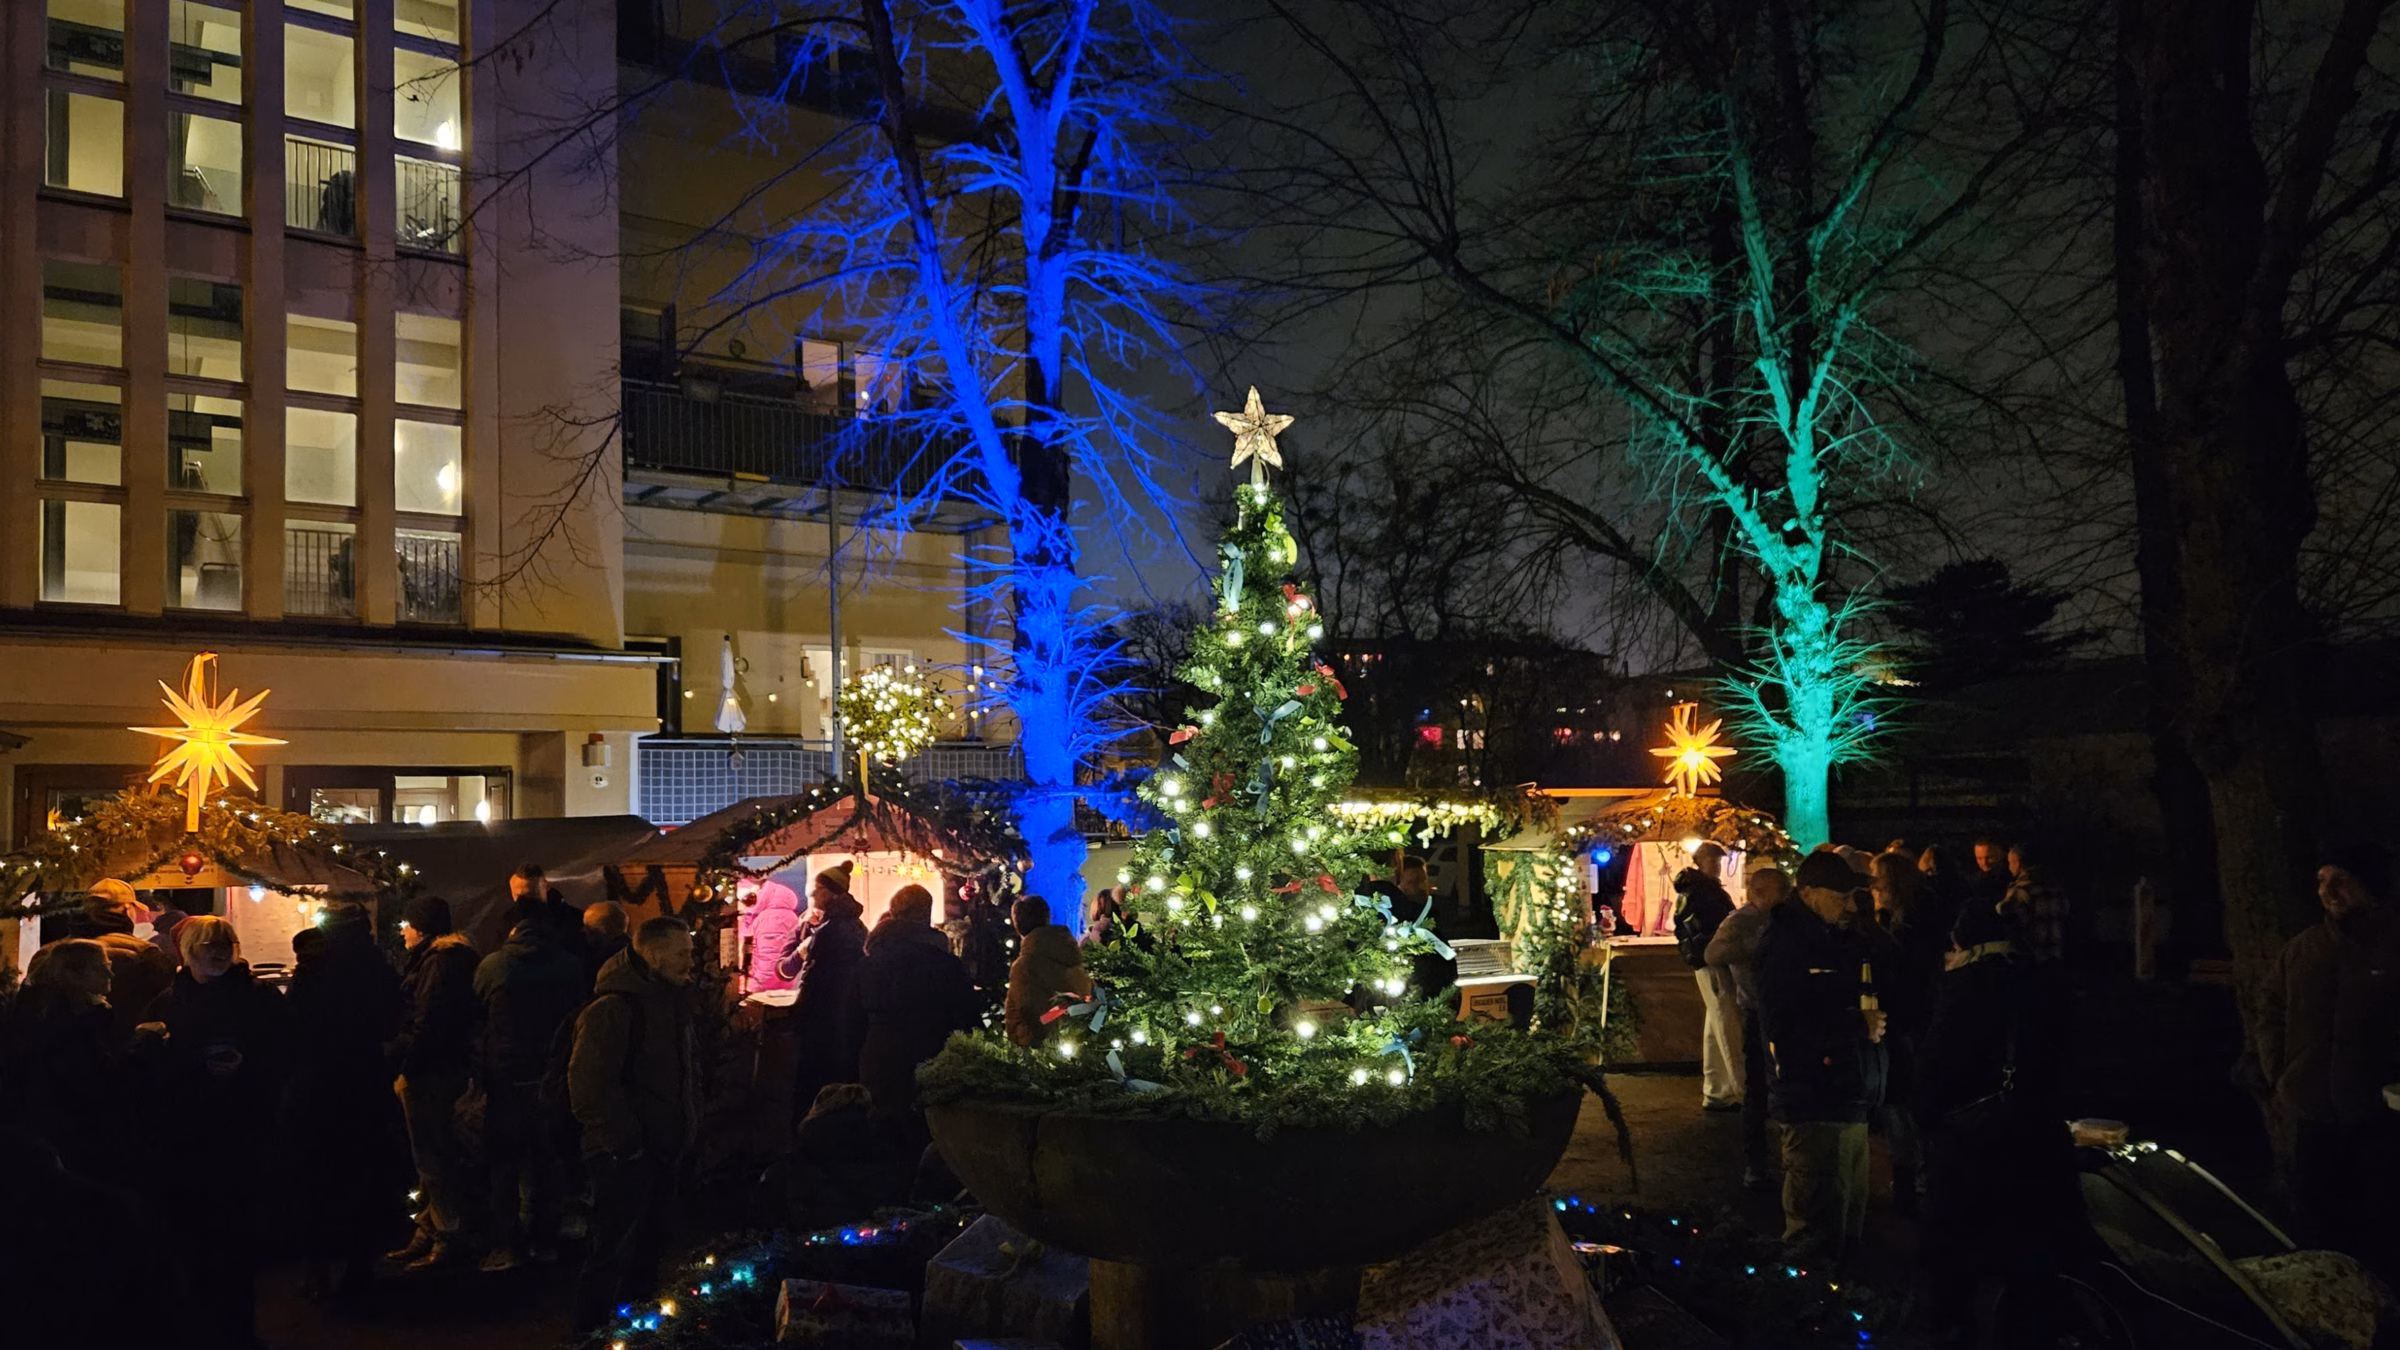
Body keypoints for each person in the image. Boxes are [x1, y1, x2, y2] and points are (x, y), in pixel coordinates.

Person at [1914, 890, 2081, 1340]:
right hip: (2040, 1140)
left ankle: (1958, 1332)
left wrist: (1927, 1121)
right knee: (2031, 1265)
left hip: (1977, 1150)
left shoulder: (1965, 990)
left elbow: (1935, 1074)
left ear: (1962, 943)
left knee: (1960, 1264)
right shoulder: (2046, 982)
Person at [147, 915, 293, 1350]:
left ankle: (236, 1330)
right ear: (188, 950)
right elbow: (153, 1065)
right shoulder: (169, 1002)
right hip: (189, 1136)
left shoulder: (258, 998)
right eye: (208, 944)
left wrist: (249, 1072)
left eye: (224, 943)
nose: (217, 952)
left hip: (243, 1131)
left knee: (237, 1241)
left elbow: (286, 1051)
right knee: (193, 1241)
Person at [2258, 843, 2400, 1269]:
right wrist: (2282, 1073)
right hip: (2314, 1111)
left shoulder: (2393, 946)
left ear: (2368, 886)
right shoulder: (2304, 949)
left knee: (2381, 1223)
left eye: (2341, 880)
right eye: (2322, 881)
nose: (2329, 890)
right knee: (2316, 1221)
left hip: (2380, 1115)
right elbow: (2271, 1007)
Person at [1755, 851, 1895, 1267]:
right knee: (1814, 1226)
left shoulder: (1838, 938)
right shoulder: (1784, 944)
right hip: (1814, 1098)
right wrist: (1856, 1024)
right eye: (1842, 896)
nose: (1850, 905)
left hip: (1848, 1094)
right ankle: (1807, 1313)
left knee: (1847, 1219)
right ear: (1810, 894)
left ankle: (1843, 1303)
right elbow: (1785, 1025)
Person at [568, 916, 699, 1336]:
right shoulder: (614, 1008)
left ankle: (634, 1336)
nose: (691, 961)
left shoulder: (668, 1001)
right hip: (624, 1156)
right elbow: (589, 1086)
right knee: (612, 1253)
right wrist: (627, 1147)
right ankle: (591, 1336)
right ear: (655, 955)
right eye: (683, 953)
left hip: (660, 1148)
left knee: (647, 1251)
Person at [286, 902, 407, 1303]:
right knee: (364, 1176)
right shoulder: (376, 967)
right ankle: (359, 1266)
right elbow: (392, 1018)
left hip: (319, 1086)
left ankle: (317, 1268)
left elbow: (294, 1024)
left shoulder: (314, 969)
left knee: (317, 1179)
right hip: (364, 1083)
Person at [473, 912, 588, 1272]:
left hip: (506, 1078)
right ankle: (546, 1240)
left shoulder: (493, 966)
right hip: (552, 1076)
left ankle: (506, 1245)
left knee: (504, 1164)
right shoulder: (570, 967)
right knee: (548, 1161)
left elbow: (477, 1013)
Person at [386, 894, 482, 1271]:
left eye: (406, 925)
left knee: (431, 1153)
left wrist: (405, 1066)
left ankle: (446, 1236)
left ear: (420, 927)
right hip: (446, 1068)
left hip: (431, 1073)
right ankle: (430, 1229)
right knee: (435, 1153)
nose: (403, 932)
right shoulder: (453, 958)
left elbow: (427, 1021)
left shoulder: (438, 963)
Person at [0, 938, 131, 1177]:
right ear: (72, 975)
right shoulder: (67, 1024)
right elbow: (95, 1077)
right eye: (100, 967)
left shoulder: (56, 1013)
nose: (110, 972)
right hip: (68, 1136)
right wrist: (144, 1042)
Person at [856, 884, 980, 1122]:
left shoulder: (870, 963)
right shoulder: (946, 964)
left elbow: (852, 1022)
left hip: (880, 1059)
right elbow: (967, 1018)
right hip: (932, 1057)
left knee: (884, 1132)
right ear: (926, 914)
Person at [1869, 850, 1943, 1215]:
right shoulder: (1915, 915)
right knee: (1905, 1099)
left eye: (1876, 878)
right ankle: (1915, 1175)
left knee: (1901, 1099)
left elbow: (1902, 972)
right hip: (1912, 1017)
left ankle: (1910, 1177)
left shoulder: (1906, 923)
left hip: (1904, 1018)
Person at [1707, 864, 1789, 1190]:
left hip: (1782, 1009)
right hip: (1756, 1011)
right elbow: (1713, 952)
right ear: (1760, 893)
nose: (1785, 898)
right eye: (1779, 892)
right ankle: (1756, 1166)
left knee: (1782, 1083)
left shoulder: (1783, 918)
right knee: (1757, 1088)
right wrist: (1757, 950)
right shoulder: (1741, 921)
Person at [778, 869, 868, 1123]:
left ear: (828, 893)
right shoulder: (855, 926)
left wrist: (799, 1016)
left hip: (823, 1025)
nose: (813, 896)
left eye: (816, 890)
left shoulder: (829, 931)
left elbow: (814, 982)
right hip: (846, 1025)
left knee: (816, 1085)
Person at [1674, 842, 1742, 1112]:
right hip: (1713, 961)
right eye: (1713, 860)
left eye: (1718, 860)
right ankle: (1740, 1088)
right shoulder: (1705, 891)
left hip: (1705, 960)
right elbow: (1716, 926)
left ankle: (1717, 1090)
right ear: (1700, 861)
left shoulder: (1693, 890)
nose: (1717, 865)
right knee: (1727, 1023)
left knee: (1716, 1024)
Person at [61, 882, 176, 1037]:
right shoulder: (146, 953)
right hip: (130, 1049)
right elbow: (167, 1004)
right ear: (128, 910)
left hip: (67, 1051)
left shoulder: (50, 953)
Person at [1004, 896, 1093, 1046]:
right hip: (1078, 1039)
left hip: (1043, 1051)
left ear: (1017, 924)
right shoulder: (1070, 952)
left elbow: (1030, 1012)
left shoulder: (1025, 966)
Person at [1998, 841, 2069, 968]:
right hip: (2055, 956)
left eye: (2010, 863)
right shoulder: (2056, 889)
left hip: (2030, 959)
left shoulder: (2020, 891)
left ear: (2018, 863)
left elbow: (2003, 916)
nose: (2009, 867)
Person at [741, 877, 805, 993]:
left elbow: (768, 956)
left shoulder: (767, 918)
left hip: (767, 983)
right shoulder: (792, 916)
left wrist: (755, 983)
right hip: (787, 978)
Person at [581, 901, 630, 988]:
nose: (583, 930)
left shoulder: (599, 961)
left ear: (602, 930)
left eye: (588, 926)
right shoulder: (634, 952)